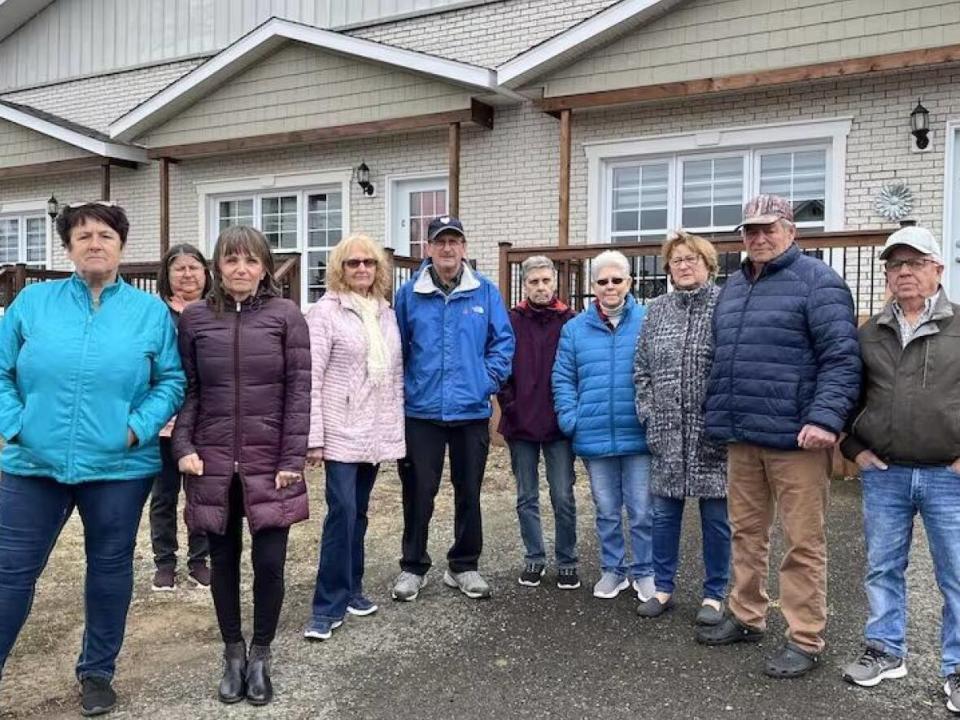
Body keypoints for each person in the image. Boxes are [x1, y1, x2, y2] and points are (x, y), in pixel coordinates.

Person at [0, 202, 184, 716]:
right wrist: (16, 425)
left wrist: (135, 429)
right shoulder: (33, 302)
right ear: (68, 247)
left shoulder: (149, 312)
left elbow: (170, 381)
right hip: (32, 466)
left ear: (121, 245)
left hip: (119, 469)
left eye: (105, 234)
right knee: (9, 573)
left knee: (108, 569)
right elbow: (1, 373)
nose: (94, 243)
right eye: (83, 236)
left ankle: (98, 672)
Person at [696, 195, 861, 678]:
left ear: (791, 230)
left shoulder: (819, 282)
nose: (758, 237)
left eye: (768, 228)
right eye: (750, 230)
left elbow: (841, 360)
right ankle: (747, 616)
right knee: (746, 534)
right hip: (743, 435)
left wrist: (826, 419)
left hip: (797, 440)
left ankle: (805, 638)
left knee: (802, 543)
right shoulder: (733, 287)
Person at [173, 226, 310, 706]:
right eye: (231, 260)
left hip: (271, 461)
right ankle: (233, 651)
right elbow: (189, 389)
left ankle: (262, 655)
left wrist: (292, 457)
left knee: (269, 564)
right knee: (224, 560)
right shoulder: (194, 319)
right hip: (211, 461)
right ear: (217, 266)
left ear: (265, 267)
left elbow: (299, 393)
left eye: (250, 260)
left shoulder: (286, 316)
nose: (241, 269)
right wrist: (182, 445)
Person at [838, 227, 960, 712]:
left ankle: (957, 669)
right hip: (884, 473)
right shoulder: (869, 333)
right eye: (895, 265)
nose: (904, 272)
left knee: (956, 575)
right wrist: (853, 447)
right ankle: (886, 650)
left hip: (947, 476)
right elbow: (846, 395)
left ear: (938, 270)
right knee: (883, 568)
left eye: (915, 262)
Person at [391, 216, 514, 602]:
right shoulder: (409, 295)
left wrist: (484, 381)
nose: (447, 249)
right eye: (440, 242)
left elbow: (503, 344)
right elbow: (400, 350)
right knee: (418, 492)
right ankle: (413, 566)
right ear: (428, 248)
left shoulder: (486, 293)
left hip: (470, 412)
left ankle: (464, 565)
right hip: (421, 412)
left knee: (469, 491)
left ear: (464, 247)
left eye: (454, 241)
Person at [303, 234, 405, 641]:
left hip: (374, 429)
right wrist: (313, 436)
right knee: (341, 511)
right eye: (352, 263)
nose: (362, 269)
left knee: (359, 511)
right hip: (340, 428)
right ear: (339, 269)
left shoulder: (386, 313)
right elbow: (310, 376)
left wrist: (394, 432)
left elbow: (393, 378)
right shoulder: (324, 313)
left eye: (369, 262)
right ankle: (326, 606)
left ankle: (353, 588)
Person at [634, 230, 729, 624]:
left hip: (713, 433)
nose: (684, 266)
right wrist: (649, 413)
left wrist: (725, 418)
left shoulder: (726, 305)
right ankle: (663, 586)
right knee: (664, 515)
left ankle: (715, 593)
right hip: (667, 432)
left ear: (708, 265)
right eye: (677, 261)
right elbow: (641, 369)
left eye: (692, 259)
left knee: (717, 519)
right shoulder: (656, 310)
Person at [552, 250, 654, 602]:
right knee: (607, 511)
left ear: (630, 282)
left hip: (638, 433)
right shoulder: (575, 329)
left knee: (641, 511)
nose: (610, 287)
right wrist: (571, 419)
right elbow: (563, 378)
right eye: (602, 281)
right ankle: (614, 570)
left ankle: (645, 572)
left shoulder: (648, 320)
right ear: (593, 286)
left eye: (617, 280)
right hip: (593, 434)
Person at [497, 255, 579, 590]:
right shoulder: (511, 320)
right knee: (526, 496)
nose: (541, 287)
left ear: (556, 283)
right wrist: (509, 404)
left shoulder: (570, 320)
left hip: (559, 424)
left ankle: (567, 560)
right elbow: (501, 364)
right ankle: (534, 558)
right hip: (521, 422)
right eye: (534, 281)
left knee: (562, 495)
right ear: (525, 284)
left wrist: (571, 412)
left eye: (546, 280)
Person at [150, 243, 213, 591]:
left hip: (205, 418)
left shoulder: (215, 311)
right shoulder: (157, 314)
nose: (187, 275)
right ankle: (164, 561)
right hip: (164, 420)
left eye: (194, 268)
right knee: (164, 494)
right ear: (168, 275)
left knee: (201, 492)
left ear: (206, 274)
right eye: (179, 268)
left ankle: (199, 559)